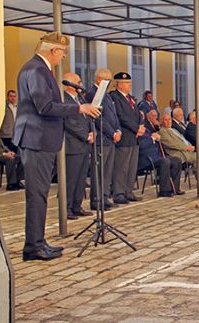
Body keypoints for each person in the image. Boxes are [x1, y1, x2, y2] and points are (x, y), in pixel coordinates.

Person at [14, 32, 100, 261]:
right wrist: (78, 109)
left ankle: (38, 241)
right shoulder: (36, 70)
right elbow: (45, 107)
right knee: (37, 194)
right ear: (53, 51)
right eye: (62, 53)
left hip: (41, 139)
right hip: (36, 139)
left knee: (40, 193)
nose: (63, 57)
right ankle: (33, 246)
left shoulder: (39, 69)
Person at [85, 68, 121, 211]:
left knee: (107, 171)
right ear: (99, 79)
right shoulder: (93, 94)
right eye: (108, 80)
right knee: (99, 171)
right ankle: (97, 199)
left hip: (111, 138)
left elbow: (114, 115)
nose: (110, 83)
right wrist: (112, 132)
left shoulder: (106, 95)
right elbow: (98, 116)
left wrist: (118, 129)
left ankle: (104, 197)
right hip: (102, 138)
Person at [110, 72, 145, 204]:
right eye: (126, 83)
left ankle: (128, 191)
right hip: (125, 136)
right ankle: (118, 193)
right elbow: (121, 116)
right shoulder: (115, 97)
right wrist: (136, 128)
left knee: (131, 166)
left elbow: (137, 115)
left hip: (134, 138)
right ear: (118, 84)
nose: (129, 85)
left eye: (130, 83)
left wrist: (141, 125)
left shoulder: (130, 98)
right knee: (121, 167)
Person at [63, 73, 94, 220]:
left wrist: (91, 132)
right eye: (78, 82)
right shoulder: (64, 99)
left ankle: (77, 205)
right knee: (71, 178)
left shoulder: (80, 99)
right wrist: (86, 135)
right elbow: (69, 123)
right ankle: (67, 208)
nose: (81, 85)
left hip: (83, 145)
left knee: (81, 178)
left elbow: (87, 118)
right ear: (70, 85)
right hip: (72, 145)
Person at [138, 110, 183, 197]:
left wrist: (156, 137)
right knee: (165, 161)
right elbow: (140, 146)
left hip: (156, 156)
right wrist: (152, 139)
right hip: (146, 159)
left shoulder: (147, 130)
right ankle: (164, 190)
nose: (142, 119)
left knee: (177, 160)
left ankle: (174, 188)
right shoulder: (136, 132)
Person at [158, 113, 199, 183]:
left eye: (169, 119)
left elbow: (183, 140)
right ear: (161, 122)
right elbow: (173, 144)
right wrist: (187, 147)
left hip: (187, 151)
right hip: (178, 153)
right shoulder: (162, 132)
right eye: (166, 120)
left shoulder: (174, 130)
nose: (168, 121)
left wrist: (189, 145)